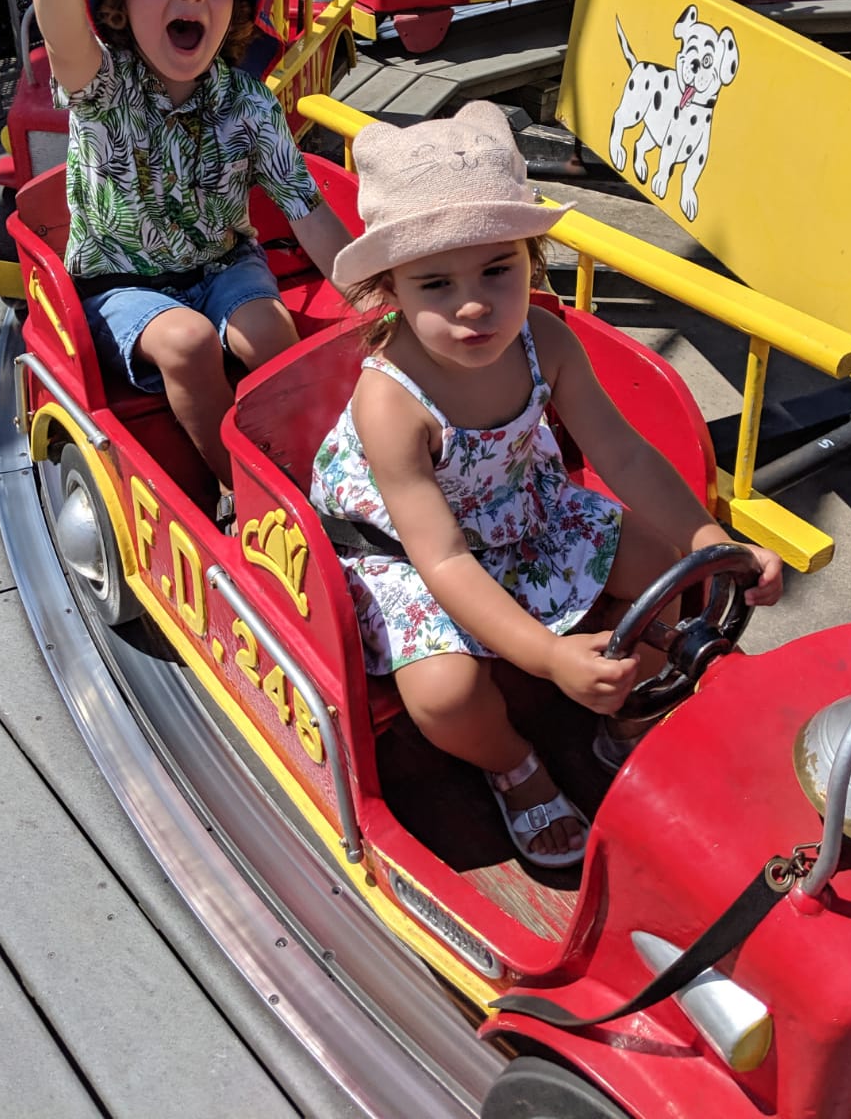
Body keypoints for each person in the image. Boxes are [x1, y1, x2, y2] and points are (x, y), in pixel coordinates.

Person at [310, 105, 782, 868]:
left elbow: (622, 456)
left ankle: (630, 712)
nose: (474, 305)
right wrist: (545, 658)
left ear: (532, 256)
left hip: (521, 506)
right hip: (409, 552)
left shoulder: (545, 340)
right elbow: (444, 561)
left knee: (666, 568)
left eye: (499, 268)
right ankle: (514, 766)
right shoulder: (389, 401)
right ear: (390, 290)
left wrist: (712, 541)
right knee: (445, 697)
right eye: (436, 282)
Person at [3, 0, 351, 493]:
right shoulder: (106, 88)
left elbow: (305, 209)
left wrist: (369, 294)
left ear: (236, 4)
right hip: (122, 284)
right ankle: (261, 496)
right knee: (188, 342)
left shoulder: (247, 103)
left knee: (268, 333)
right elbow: (66, 41)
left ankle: (308, 461)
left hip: (222, 265)